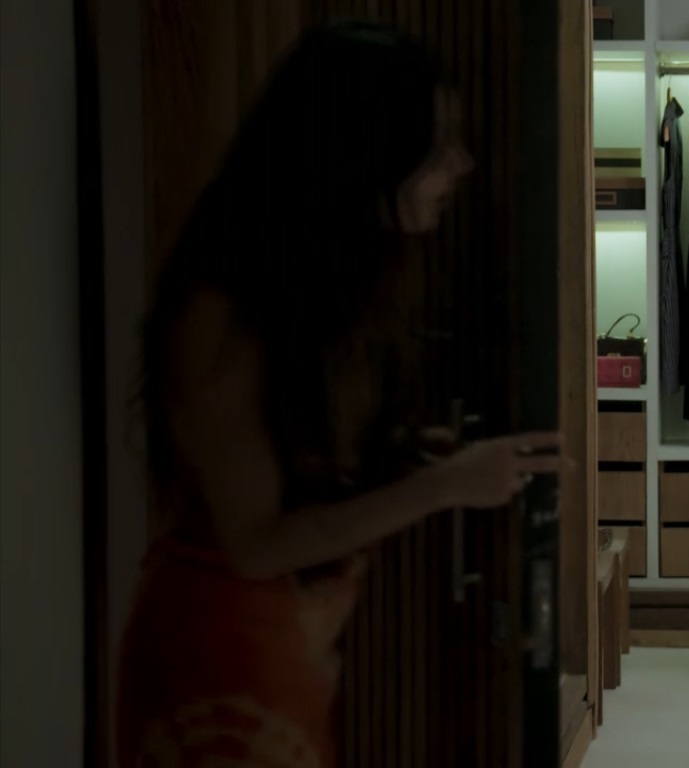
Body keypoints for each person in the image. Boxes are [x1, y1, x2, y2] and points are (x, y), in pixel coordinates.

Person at [116, 21, 561, 766]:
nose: (461, 163)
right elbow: (258, 545)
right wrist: (444, 487)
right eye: (436, 144)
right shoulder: (223, 317)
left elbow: (296, 468)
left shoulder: (328, 288)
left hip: (282, 645)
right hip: (218, 661)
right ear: (364, 151)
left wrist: (406, 460)